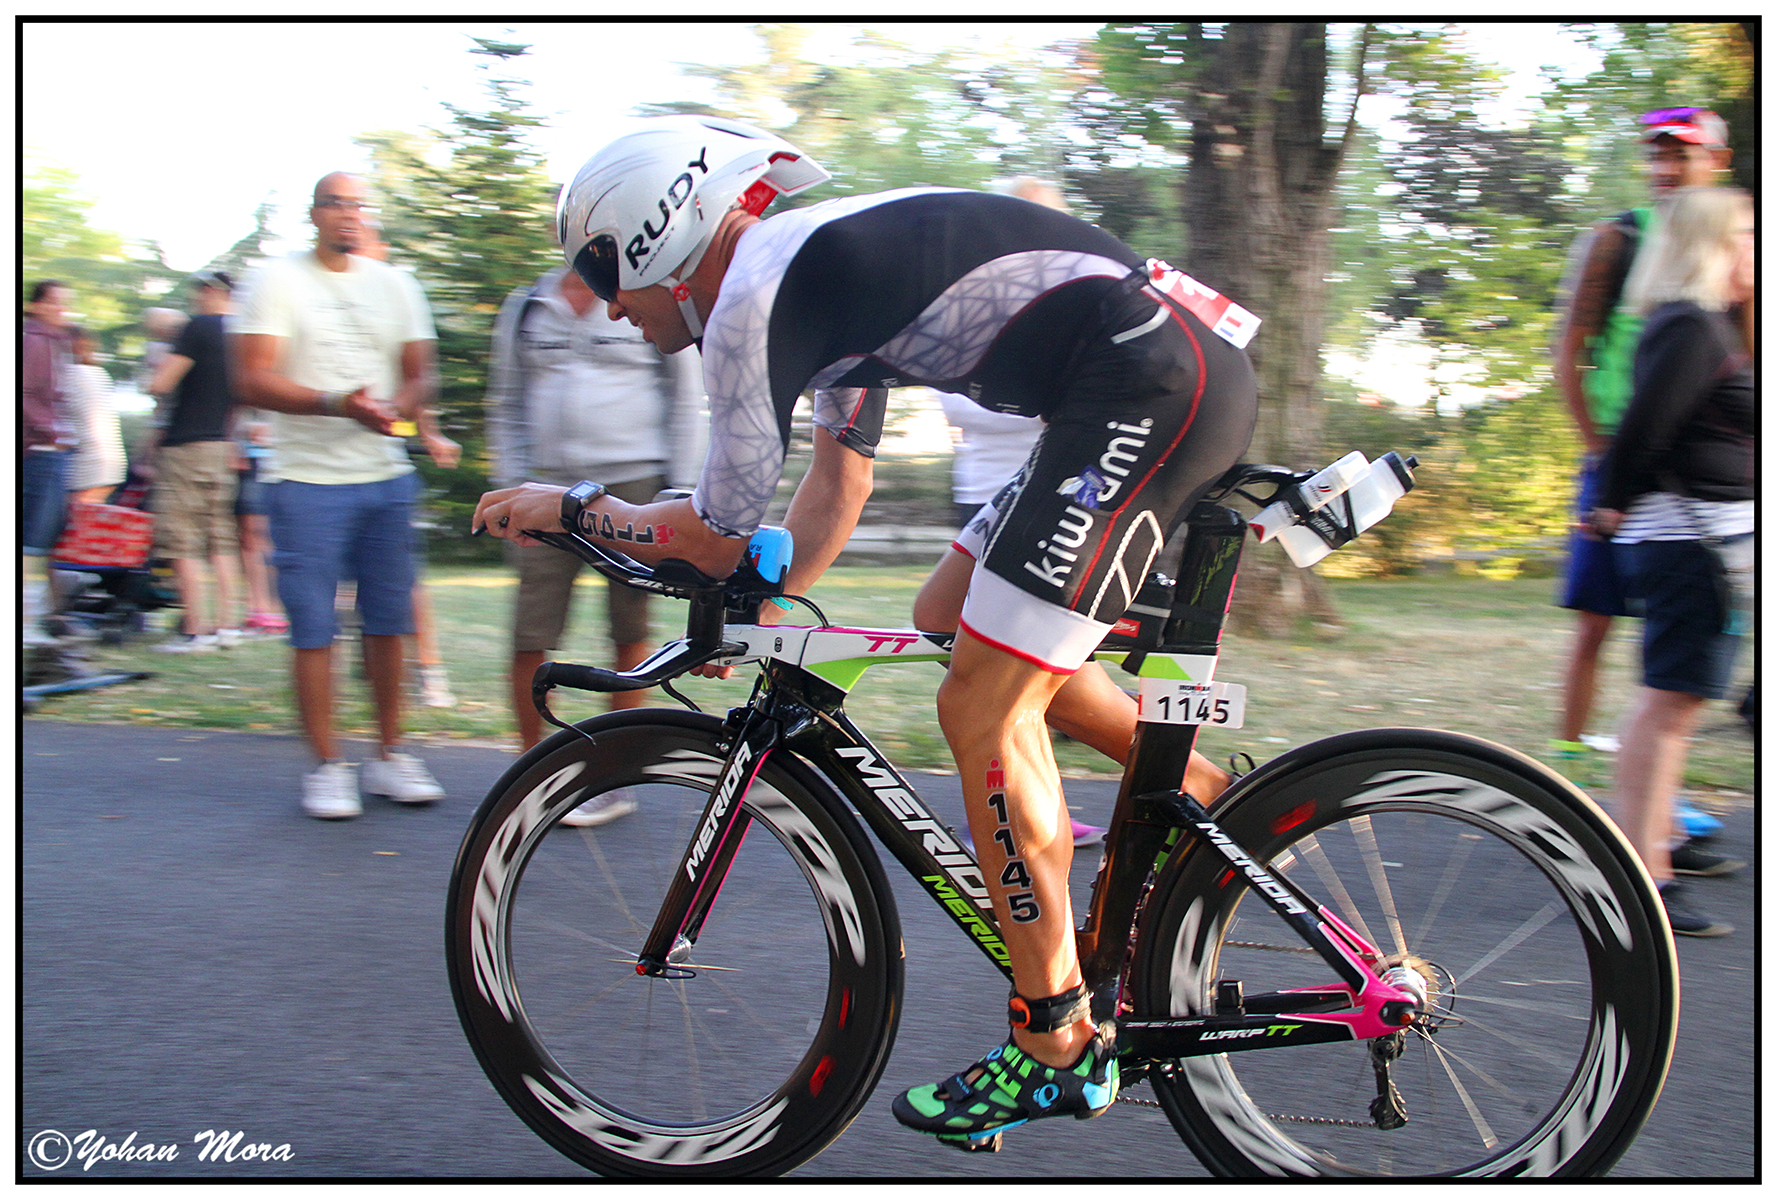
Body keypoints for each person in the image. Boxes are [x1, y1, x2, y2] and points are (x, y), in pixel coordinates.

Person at [474, 116, 1258, 1148]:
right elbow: (835, 489)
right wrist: (763, 600)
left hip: (1145, 381)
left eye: (605, 271)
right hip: (1137, 375)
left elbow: (709, 533)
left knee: (983, 707)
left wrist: (574, 510)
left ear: (660, 233)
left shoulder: (755, 296)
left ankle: (1055, 1043)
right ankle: (1197, 792)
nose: (611, 305)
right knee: (947, 620)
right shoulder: (798, 276)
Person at [231, 172, 444, 820]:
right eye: (335, 204)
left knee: (389, 621)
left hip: (384, 477)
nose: (348, 215)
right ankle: (327, 766)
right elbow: (251, 378)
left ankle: (389, 754)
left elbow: (422, 374)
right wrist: (336, 403)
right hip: (303, 481)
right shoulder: (276, 280)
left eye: (358, 205)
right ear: (314, 214)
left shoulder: (396, 284)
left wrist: (394, 409)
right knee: (313, 626)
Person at [1550, 107, 1731, 803]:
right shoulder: (1616, 239)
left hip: (1696, 480)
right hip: (1620, 465)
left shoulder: (1730, 242)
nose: (1665, 169)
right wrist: (1602, 455)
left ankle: (1657, 797)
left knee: (1676, 643)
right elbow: (1567, 353)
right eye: (1656, 156)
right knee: (1594, 623)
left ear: (1716, 161)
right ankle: (1569, 768)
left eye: (1681, 155)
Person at [1586, 185, 1754, 939]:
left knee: (1673, 707)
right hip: (1688, 545)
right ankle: (1642, 877)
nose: (1754, 249)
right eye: (1744, 235)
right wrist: (1611, 503)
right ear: (1711, 245)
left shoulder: (1707, 324)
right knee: (1667, 708)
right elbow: (1643, 429)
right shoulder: (1688, 325)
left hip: (1704, 544)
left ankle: (1650, 857)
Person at [485, 262, 707, 784]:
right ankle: (531, 777)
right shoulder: (528, 306)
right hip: (546, 488)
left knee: (630, 631)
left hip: (635, 483)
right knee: (529, 634)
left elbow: (686, 399)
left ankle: (614, 775)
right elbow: (508, 403)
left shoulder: (645, 297)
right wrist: (511, 487)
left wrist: (679, 493)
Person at [356, 220, 459, 707]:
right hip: (327, 466)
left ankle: (429, 669)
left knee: (404, 579)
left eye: (365, 242)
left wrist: (429, 433)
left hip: (384, 461)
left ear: (380, 248)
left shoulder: (393, 296)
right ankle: (368, 667)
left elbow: (417, 377)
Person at [144, 270, 244, 652]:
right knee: (221, 537)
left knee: (183, 539)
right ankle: (227, 627)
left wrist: (157, 371)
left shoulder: (198, 326)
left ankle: (195, 630)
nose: (196, 296)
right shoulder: (242, 335)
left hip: (186, 445)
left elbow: (161, 383)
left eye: (200, 290)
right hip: (221, 445)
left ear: (212, 291)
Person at [23, 280, 76, 649]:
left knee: (42, 539)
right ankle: (25, 624)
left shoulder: (54, 341)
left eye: (66, 304)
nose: (63, 311)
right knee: (33, 541)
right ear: (36, 305)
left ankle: (33, 621)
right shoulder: (34, 340)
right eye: (56, 303)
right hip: (38, 450)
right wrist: (50, 431)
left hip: (49, 450)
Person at [63, 326, 128, 505]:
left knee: (71, 519)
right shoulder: (100, 373)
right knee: (84, 519)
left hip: (87, 463)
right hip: (111, 464)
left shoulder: (69, 374)